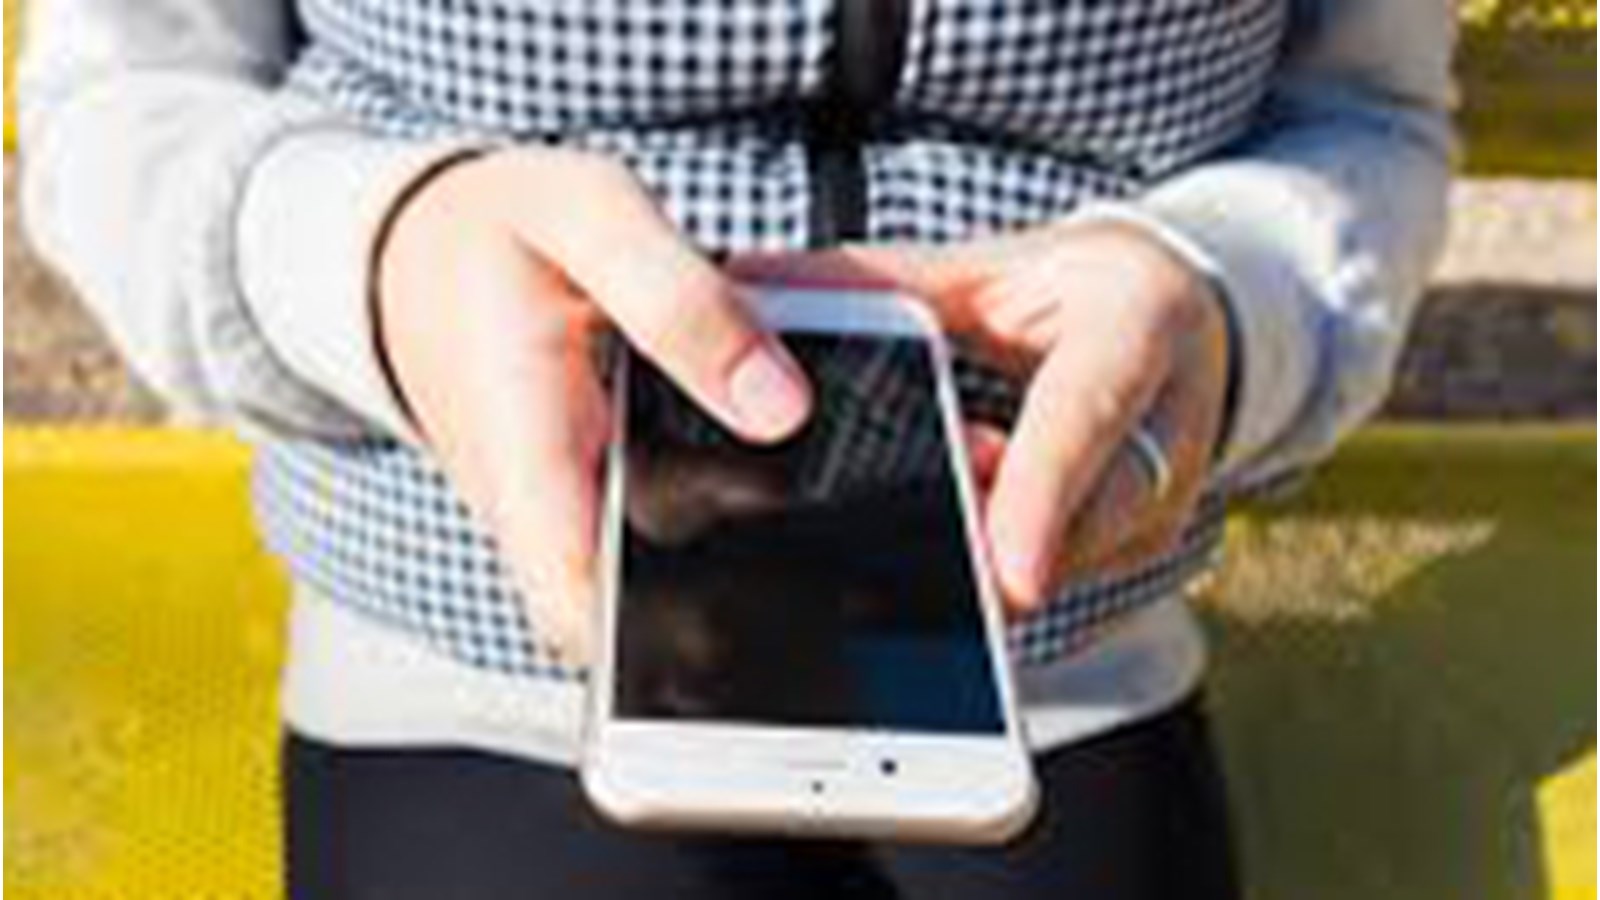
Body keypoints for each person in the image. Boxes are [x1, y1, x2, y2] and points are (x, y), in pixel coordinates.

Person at [18, 0, 1455, 896]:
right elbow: (128, 97)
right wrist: (380, 260)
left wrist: (1227, 306)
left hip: (1050, 672)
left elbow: (1360, 114)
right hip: (475, 667)